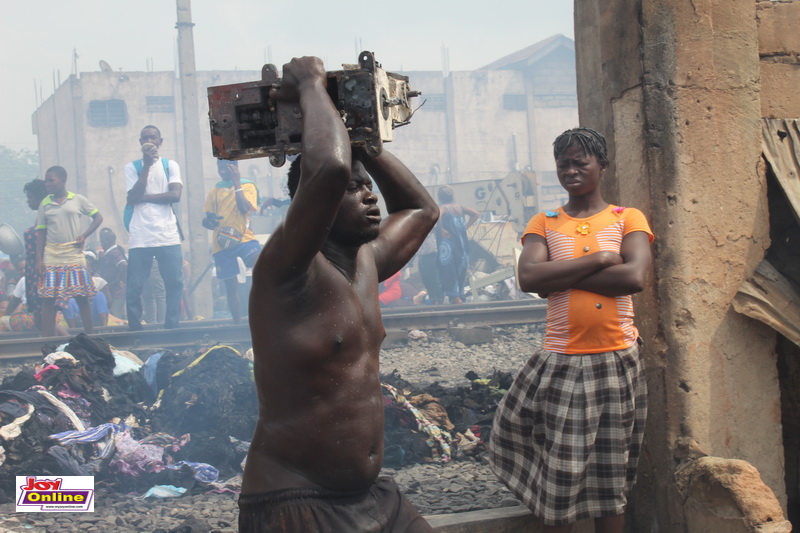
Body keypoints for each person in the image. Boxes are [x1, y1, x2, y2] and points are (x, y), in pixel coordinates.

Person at [239, 56, 439, 533]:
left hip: (371, 495)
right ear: (318, 208)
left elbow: (421, 209)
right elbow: (327, 168)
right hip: (296, 499)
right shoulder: (286, 270)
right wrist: (311, 83)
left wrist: (363, 139)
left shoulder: (367, 261)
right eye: (354, 190)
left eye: (368, 188)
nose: (370, 197)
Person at [488, 127, 654, 533]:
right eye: (564, 163)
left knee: (610, 472)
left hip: (617, 359)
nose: (572, 170)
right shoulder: (544, 222)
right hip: (562, 359)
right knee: (560, 473)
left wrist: (558, 277)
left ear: (603, 165)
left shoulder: (627, 218)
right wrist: (598, 259)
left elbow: (633, 278)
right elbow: (528, 278)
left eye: (582, 161)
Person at [124, 125, 184, 330]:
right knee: (135, 286)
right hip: (140, 236)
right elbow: (133, 198)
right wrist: (147, 166)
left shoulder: (170, 165)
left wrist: (145, 198)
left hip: (167, 235)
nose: (150, 141)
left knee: (174, 282)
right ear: (141, 143)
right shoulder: (132, 167)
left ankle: (172, 326)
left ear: (160, 141)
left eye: (153, 137)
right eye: (146, 138)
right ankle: (135, 328)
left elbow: (175, 196)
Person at [35, 166, 103, 337]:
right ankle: (47, 338)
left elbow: (98, 217)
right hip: (52, 254)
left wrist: (84, 235)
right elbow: (41, 232)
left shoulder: (78, 199)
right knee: (48, 299)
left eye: (51, 180)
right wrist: (39, 258)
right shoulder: (45, 204)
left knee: (81, 296)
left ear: (63, 180)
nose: (48, 184)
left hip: (73, 253)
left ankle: (90, 336)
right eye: (46, 181)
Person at [202, 159, 261, 323]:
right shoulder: (215, 191)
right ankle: (237, 323)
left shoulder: (248, 186)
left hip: (244, 238)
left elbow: (244, 208)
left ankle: (261, 313)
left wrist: (236, 182)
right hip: (221, 244)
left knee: (262, 265)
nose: (222, 172)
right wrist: (208, 222)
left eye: (226, 168)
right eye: (219, 168)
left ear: (235, 168)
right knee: (230, 287)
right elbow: (208, 219)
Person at [435, 185, 479, 304]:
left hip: (448, 243)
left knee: (448, 268)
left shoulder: (443, 207)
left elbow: (437, 214)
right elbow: (476, 214)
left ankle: (455, 297)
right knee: (461, 267)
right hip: (461, 242)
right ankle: (459, 295)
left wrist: (442, 229)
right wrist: (466, 226)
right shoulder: (459, 207)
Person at [21, 179, 50, 332]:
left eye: (30, 197)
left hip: (41, 271)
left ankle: (60, 346)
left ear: (40, 198)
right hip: (33, 272)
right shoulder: (39, 219)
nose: (28, 201)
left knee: (45, 316)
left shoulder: (48, 220)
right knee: (39, 317)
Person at [96, 227, 127, 319]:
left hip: (118, 292)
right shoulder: (109, 253)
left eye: (102, 241)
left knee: (115, 316)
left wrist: (119, 280)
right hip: (112, 291)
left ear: (106, 242)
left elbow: (124, 265)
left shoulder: (114, 253)